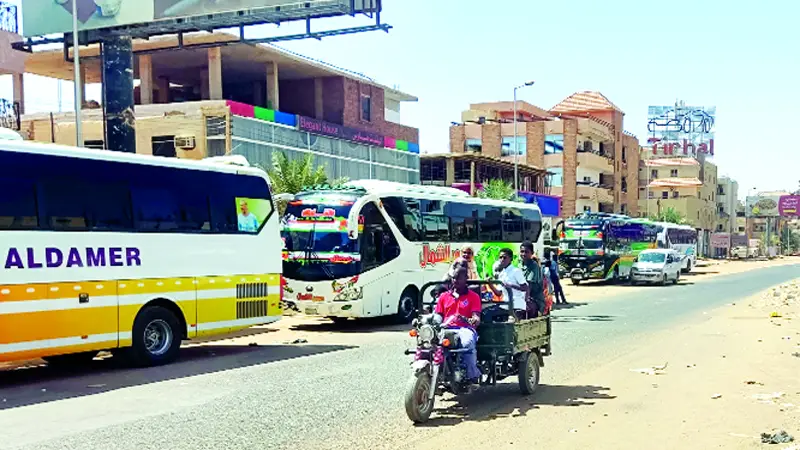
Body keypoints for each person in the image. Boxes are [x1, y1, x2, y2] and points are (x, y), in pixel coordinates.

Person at [435, 266, 482, 384]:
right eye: (453, 278)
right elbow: (438, 315)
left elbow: (476, 316)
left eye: (458, 278)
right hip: (446, 328)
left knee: (467, 344)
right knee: (429, 343)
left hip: (464, 329)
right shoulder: (444, 296)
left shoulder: (473, 297)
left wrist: (474, 319)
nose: (455, 281)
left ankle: (472, 376)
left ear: (466, 278)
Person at [488, 248, 528, 319]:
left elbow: (525, 287)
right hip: (505, 305)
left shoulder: (516, 271)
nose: (502, 259)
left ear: (511, 259)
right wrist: (490, 284)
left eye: (505, 257)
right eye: (500, 257)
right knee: (486, 314)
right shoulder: (501, 273)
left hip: (516, 305)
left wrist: (511, 286)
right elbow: (499, 293)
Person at [520, 241, 546, 318]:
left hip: (534, 299)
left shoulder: (533, 266)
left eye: (526, 252)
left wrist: (524, 300)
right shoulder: (519, 265)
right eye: (522, 251)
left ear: (532, 253)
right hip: (521, 296)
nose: (524, 254)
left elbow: (529, 286)